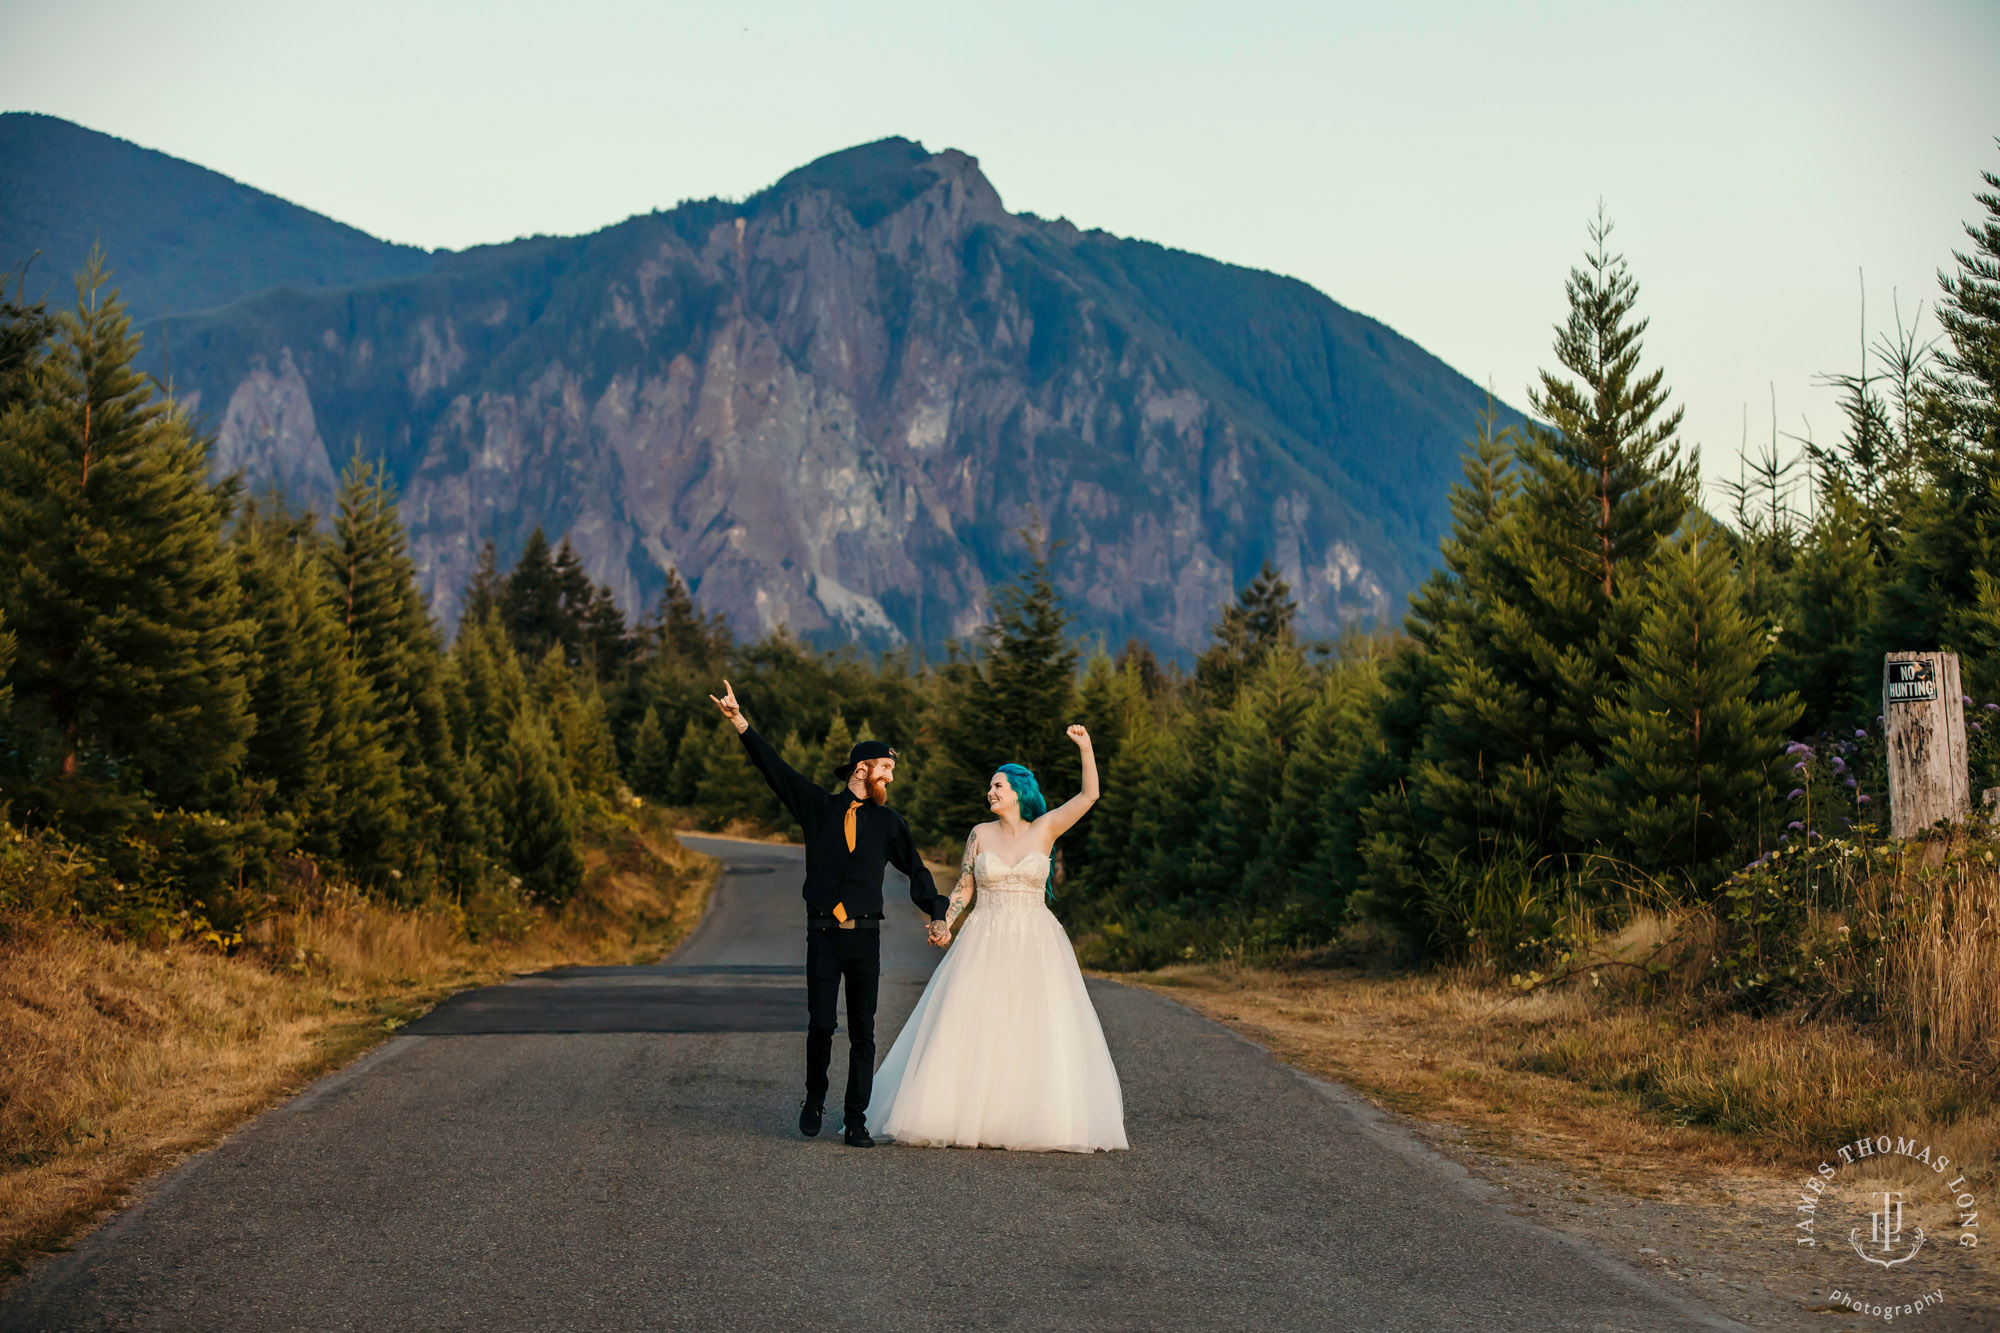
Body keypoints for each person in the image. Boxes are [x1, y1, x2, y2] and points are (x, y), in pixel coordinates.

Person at [707, 679, 950, 1148]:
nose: (891, 778)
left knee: (863, 1030)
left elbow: (917, 873)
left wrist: (937, 912)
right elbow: (774, 768)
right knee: (822, 1022)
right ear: (862, 768)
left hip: (865, 940)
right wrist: (740, 722)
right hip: (822, 933)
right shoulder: (818, 807)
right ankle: (814, 1098)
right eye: (886, 769)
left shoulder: (889, 822)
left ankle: (855, 1119)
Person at [865, 724, 1127, 1152]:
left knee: (1034, 1025)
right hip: (984, 937)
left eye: (998, 785)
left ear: (1018, 791)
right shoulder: (980, 834)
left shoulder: (1045, 829)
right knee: (974, 1023)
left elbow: (1089, 796)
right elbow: (965, 888)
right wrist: (943, 922)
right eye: (990, 786)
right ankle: (962, 1113)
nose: (991, 791)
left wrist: (1086, 746)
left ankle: (1030, 1117)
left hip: (1036, 941)